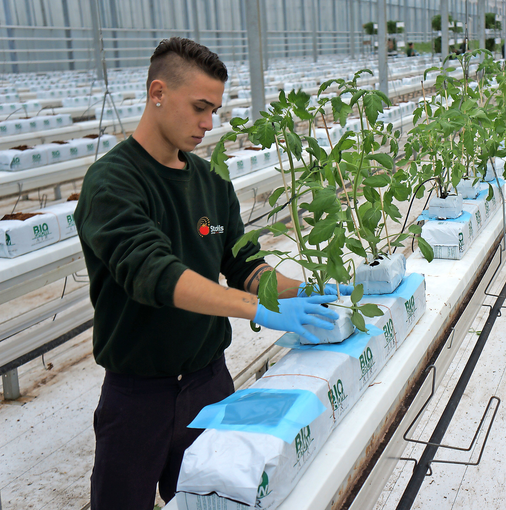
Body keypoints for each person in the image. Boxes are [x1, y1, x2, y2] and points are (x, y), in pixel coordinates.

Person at [74, 37, 349, 509]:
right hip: (137, 393)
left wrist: (304, 288)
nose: (209, 123)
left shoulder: (211, 183)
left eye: (215, 110)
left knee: (215, 500)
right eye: (200, 107)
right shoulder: (113, 183)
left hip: (209, 384)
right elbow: (154, 273)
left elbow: (243, 266)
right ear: (157, 92)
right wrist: (258, 308)